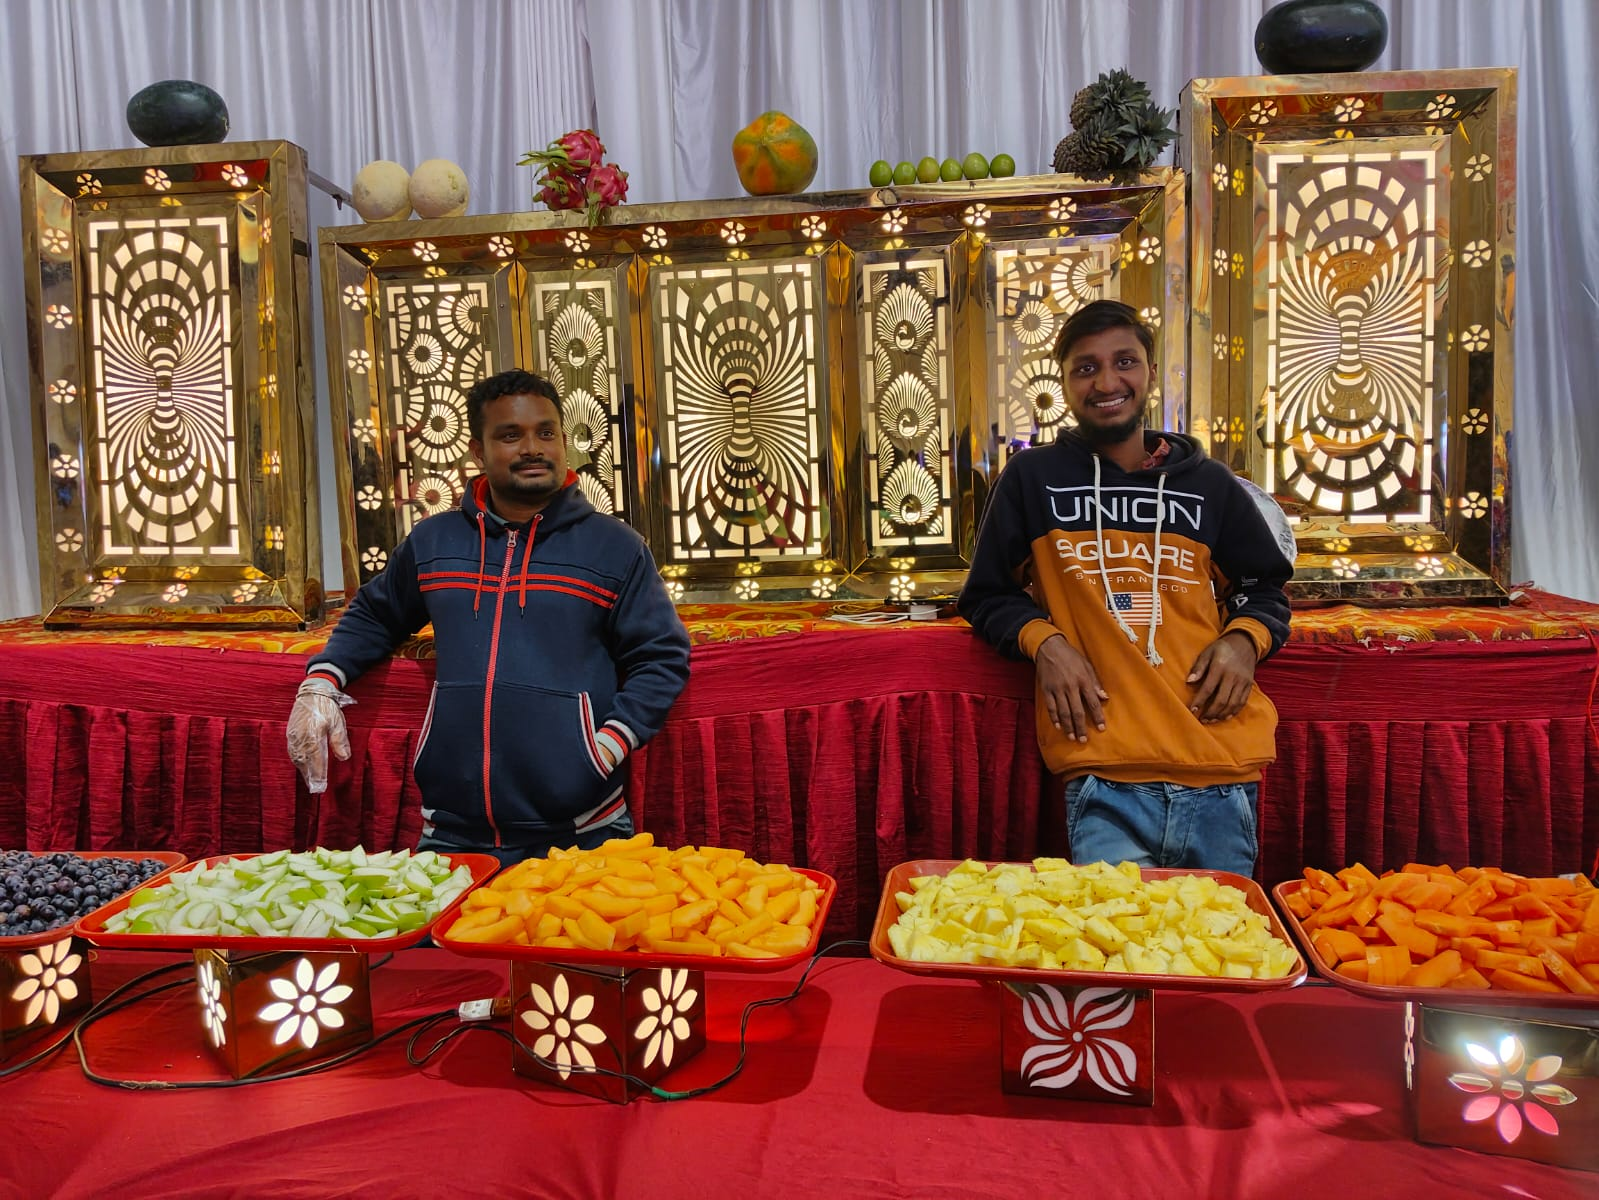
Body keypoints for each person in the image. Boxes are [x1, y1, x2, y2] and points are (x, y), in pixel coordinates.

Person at [287, 369, 690, 866]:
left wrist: (602, 748)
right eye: (510, 435)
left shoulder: (616, 547)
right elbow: (375, 614)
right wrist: (321, 683)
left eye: (546, 432)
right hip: (452, 831)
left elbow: (661, 658)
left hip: (583, 831)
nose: (533, 448)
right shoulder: (433, 542)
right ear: (478, 451)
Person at [958, 300, 1293, 875]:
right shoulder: (1032, 479)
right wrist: (1047, 644)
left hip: (1220, 768)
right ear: (1064, 383)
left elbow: (1265, 588)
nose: (1107, 382)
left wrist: (1244, 641)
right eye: (1086, 368)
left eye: (1124, 362)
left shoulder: (1210, 485)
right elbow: (986, 595)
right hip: (1105, 774)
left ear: (1151, 373)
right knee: (1115, 934)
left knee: (1221, 935)